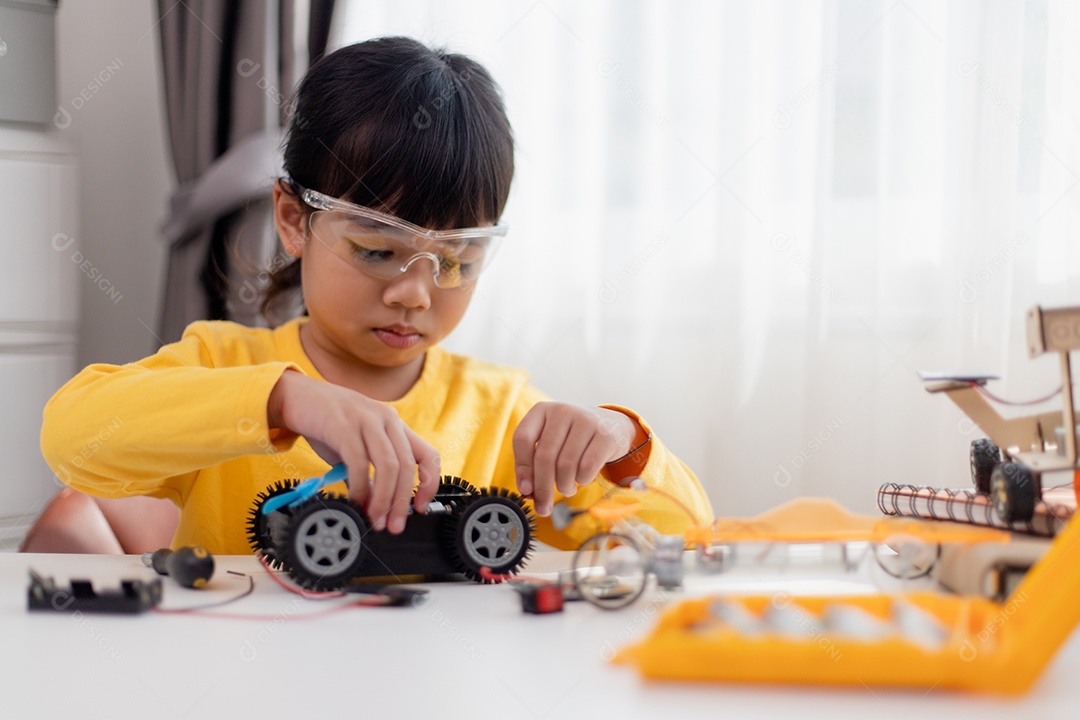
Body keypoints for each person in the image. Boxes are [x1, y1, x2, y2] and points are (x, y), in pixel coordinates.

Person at [40, 37, 713, 556]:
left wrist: (624, 442)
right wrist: (284, 400)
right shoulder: (226, 364)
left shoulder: (502, 415)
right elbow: (70, 435)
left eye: (456, 261)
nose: (414, 293)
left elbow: (685, 538)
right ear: (294, 219)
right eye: (376, 251)